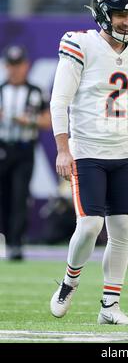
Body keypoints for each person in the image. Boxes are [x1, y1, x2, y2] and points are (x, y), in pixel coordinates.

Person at [50, 0, 128, 325]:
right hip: (88, 152)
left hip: (124, 152)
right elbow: (59, 100)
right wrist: (63, 149)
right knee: (91, 225)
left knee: (123, 232)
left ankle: (110, 307)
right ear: (102, 12)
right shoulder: (80, 44)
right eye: (119, 15)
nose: (127, 22)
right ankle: (69, 282)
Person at [0, 45, 51, 260]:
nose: (15, 70)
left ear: (26, 66)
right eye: (11, 65)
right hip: (3, 148)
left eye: (18, 65)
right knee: (4, 196)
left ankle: (16, 243)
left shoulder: (35, 91)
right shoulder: (1, 90)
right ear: (6, 66)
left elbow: (48, 121)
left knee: (20, 195)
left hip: (24, 148)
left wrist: (28, 120)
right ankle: (5, 239)